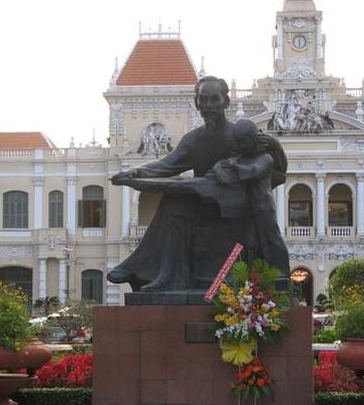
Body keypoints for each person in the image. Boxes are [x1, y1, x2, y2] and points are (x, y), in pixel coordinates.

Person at [108, 76, 287, 292]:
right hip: (204, 204)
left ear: (225, 102)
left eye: (214, 99)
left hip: (238, 214)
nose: (209, 106)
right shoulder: (193, 140)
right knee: (173, 203)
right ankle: (164, 276)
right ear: (197, 103)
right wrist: (134, 173)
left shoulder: (240, 135)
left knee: (180, 196)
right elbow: (165, 166)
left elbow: (275, 170)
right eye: (204, 99)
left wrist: (275, 146)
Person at [206, 119, 289, 274]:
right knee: (243, 245)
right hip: (243, 211)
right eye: (239, 143)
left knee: (272, 241)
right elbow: (219, 172)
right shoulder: (238, 159)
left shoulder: (265, 159)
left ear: (253, 140)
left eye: (244, 142)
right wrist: (219, 168)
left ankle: (280, 277)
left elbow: (252, 172)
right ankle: (235, 281)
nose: (242, 146)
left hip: (262, 209)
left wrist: (232, 166)